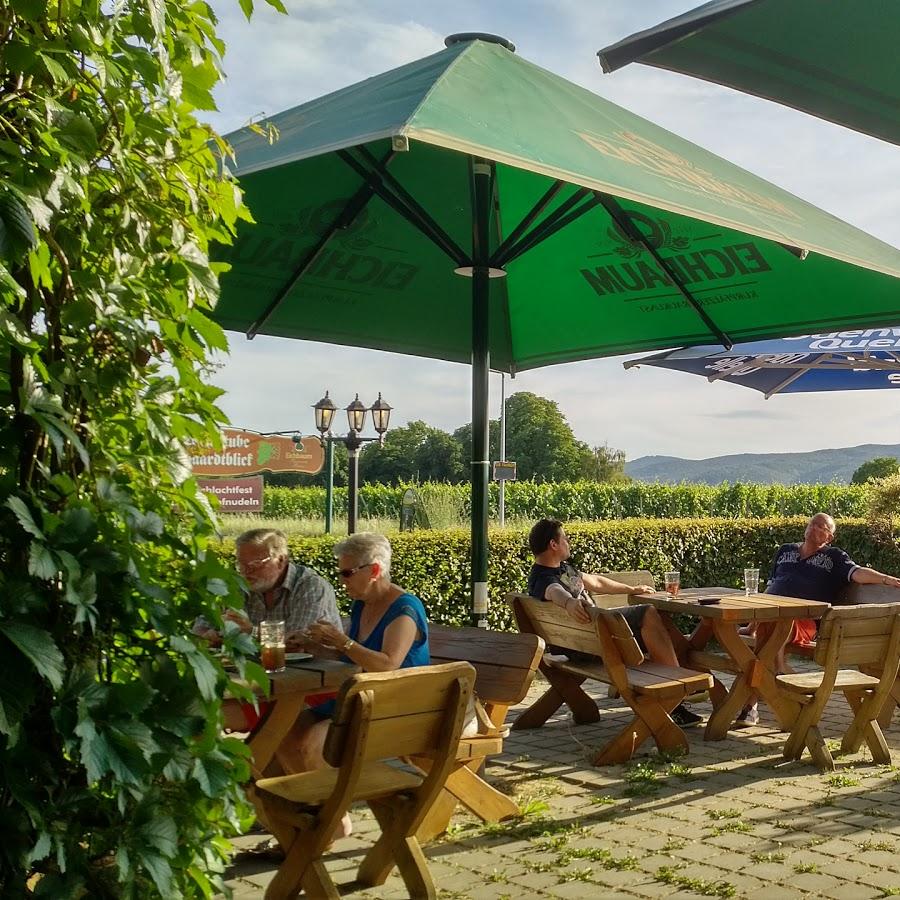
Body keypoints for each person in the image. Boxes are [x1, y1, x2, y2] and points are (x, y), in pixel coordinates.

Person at [280, 532, 429, 841]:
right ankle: (325, 812)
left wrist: (343, 641)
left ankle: (330, 819)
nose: (342, 579)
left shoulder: (405, 609)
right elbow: (353, 657)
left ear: (373, 571)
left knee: (311, 742)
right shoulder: (364, 603)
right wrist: (316, 646)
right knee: (284, 729)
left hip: (396, 706)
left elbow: (388, 664)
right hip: (364, 697)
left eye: (347, 572)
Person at [527, 518, 703, 728]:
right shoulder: (542, 578)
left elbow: (597, 582)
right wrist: (569, 602)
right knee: (648, 614)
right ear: (553, 545)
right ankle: (676, 687)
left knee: (659, 624)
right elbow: (553, 592)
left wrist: (631, 590)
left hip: (588, 639)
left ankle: (674, 691)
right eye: (565, 538)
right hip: (591, 644)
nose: (569, 542)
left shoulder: (562, 569)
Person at [736, 512, 900, 727]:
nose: (814, 527)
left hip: (805, 623)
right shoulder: (785, 550)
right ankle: (778, 671)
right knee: (760, 625)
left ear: (829, 537)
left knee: (768, 632)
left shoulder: (834, 557)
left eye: (822, 526)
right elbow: (771, 586)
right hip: (770, 615)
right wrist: (752, 624)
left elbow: (858, 573)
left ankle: (752, 704)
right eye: (813, 523)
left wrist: (887, 579)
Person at [194, 527, 342, 649]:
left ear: (281, 561)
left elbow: (296, 642)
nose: (246, 571)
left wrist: (251, 632)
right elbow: (199, 629)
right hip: (257, 671)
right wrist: (210, 635)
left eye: (255, 564)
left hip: (315, 676)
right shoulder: (236, 583)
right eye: (241, 564)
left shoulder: (311, 586)